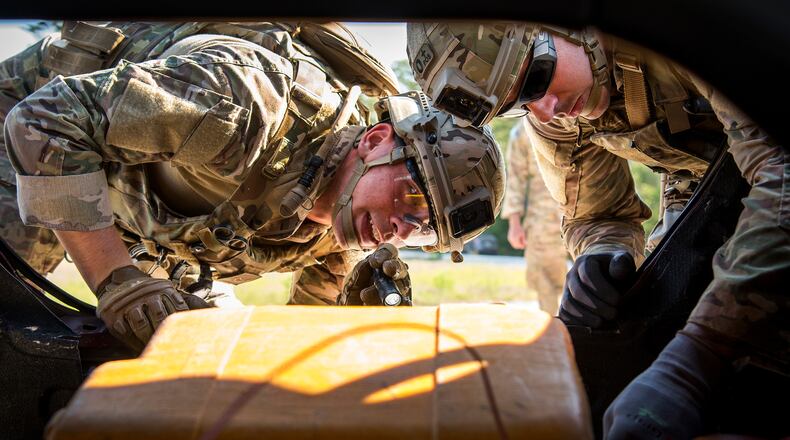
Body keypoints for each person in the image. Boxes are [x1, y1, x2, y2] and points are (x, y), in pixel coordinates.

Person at [2, 22, 505, 351]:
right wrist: (117, 279)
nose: (400, 228)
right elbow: (41, 122)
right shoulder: (247, 108)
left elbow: (301, 339)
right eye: (413, 197)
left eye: (421, 232)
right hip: (29, 141)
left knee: (206, 353)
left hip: (151, 232)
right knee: (15, 331)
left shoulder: (350, 227)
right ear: (375, 141)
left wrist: (354, 331)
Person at [406, 22, 789, 438]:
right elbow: (597, 217)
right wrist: (601, 257)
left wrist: (702, 353)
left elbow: (781, 171)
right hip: (708, 187)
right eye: (518, 104)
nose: (545, 111)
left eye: (536, 78)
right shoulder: (556, 117)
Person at [501, 118, 566, 313]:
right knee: (544, 278)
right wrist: (514, 223)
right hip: (543, 215)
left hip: (583, 206)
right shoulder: (524, 130)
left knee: (592, 269)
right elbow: (516, 178)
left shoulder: (576, 114)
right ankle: (551, 328)